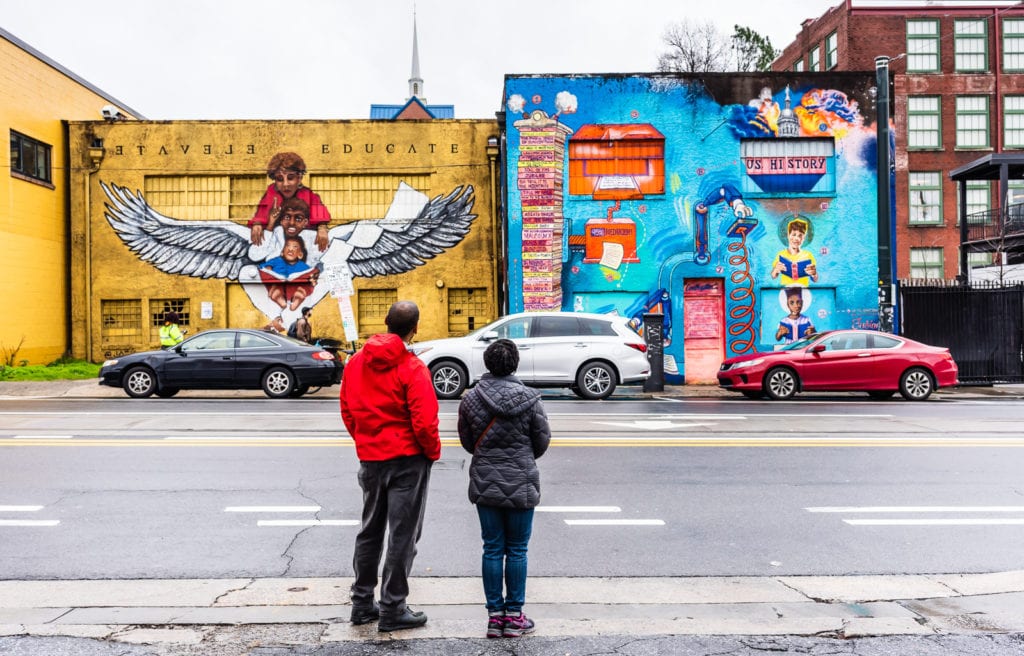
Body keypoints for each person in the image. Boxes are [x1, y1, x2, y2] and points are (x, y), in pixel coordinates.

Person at [339, 300, 441, 633]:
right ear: (416, 328)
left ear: (385, 322)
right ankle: (393, 607)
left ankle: (361, 603)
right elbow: (425, 422)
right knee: (402, 535)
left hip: (371, 458)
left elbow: (348, 410)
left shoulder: (355, 363)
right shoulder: (413, 368)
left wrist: (364, 441)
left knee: (369, 530)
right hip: (407, 460)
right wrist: (431, 453)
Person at [457, 339, 550, 639]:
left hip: (485, 481)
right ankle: (515, 616)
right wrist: (522, 455)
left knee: (492, 548)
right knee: (518, 550)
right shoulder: (531, 399)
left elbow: (468, 441)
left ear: (487, 363)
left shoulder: (470, 399)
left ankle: (494, 618)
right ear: (515, 363)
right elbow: (542, 441)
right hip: (521, 480)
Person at [248, 152, 332, 251]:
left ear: (299, 178)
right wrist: (257, 224)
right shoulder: (270, 195)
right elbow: (260, 216)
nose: (285, 184)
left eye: (290, 178)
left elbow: (321, 218)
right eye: (280, 179)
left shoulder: (310, 195)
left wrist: (322, 228)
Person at [770, 216, 819, 286]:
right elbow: (773, 276)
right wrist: (775, 270)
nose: (796, 238)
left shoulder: (808, 255)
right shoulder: (781, 255)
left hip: (803, 289)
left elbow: (815, 279)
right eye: (794, 235)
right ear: (788, 235)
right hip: (786, 289)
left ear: (804, 238)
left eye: (800, 236)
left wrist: (814, 274)